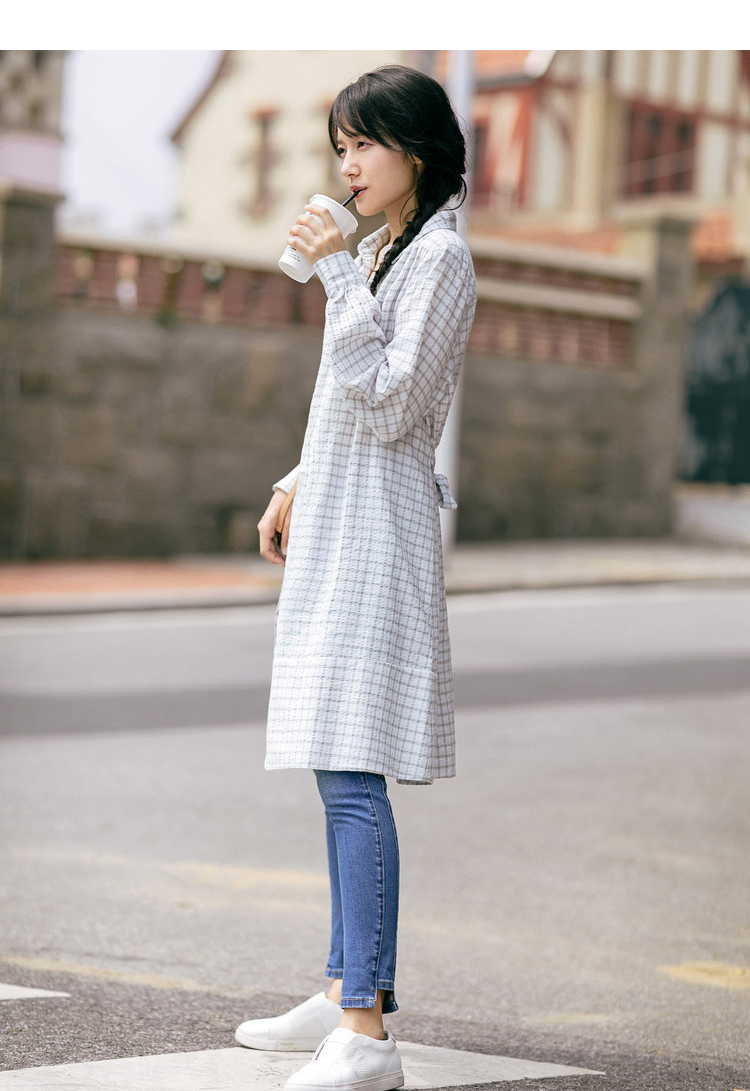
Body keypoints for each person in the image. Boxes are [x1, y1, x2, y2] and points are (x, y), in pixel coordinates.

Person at [235, 64, 477, 1091]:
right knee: (332, 758)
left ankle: (367, 1030)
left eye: (365, 143)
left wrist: (335, 276)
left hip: (380, 536)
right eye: (341, 146)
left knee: (350, 769)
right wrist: (293, 480)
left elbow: (390, 401)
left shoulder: (442, 260)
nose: (348, 165)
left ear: (416, 148)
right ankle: (344, 985)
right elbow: (345, 401)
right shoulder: (385, 252)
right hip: (340, 519)